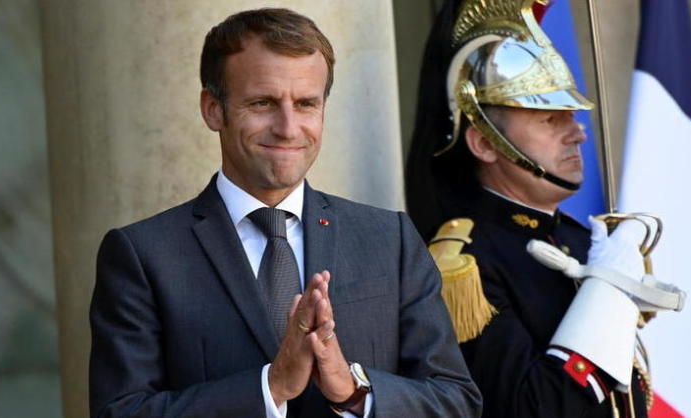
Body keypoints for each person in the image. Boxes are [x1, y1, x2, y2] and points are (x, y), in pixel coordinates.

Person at [89, 8, 481, 418]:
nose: (289, 127)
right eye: (263, 103)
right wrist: (270, 387)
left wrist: (353, 391)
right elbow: (121, 411)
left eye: (307, 103)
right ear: (213, 110)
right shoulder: (142, 254)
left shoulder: (390, 238)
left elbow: (456, 402)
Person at [406, 1, 683, 417]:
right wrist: (605, 298)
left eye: (571, 115)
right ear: (483, 143)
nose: (577, 134)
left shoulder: (581, 239)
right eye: (550, 119)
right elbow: (533, 408)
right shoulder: (462, 267)